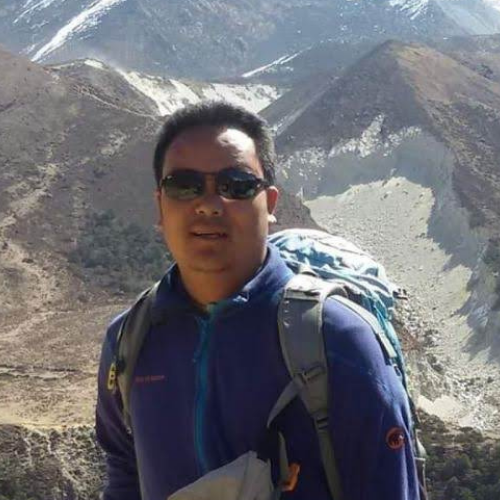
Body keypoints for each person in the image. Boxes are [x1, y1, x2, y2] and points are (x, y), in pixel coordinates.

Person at [95, 100, 421, 500]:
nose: (208, 204)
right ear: (160, 205)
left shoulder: (337, 341)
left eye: (236, 185)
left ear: (270, 204)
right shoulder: (129, 341)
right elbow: (124, 469)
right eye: (184, 185)